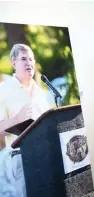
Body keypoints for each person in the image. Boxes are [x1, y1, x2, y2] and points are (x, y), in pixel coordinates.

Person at [0, 44, 51, 197]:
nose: (29, 63)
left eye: (31, 59)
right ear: (13, 63)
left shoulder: (39, 91)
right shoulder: (3, 90)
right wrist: (17, 119)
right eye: (23, 59)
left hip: (44, 155)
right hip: (20, 158)